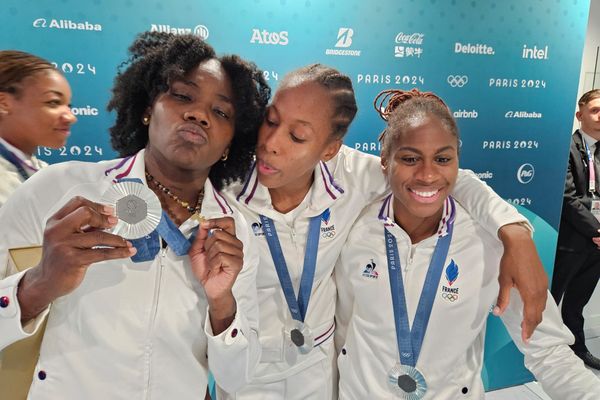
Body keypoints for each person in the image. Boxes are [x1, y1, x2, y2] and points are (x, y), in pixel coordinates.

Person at [221, 65, 548, 399]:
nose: (271, 143)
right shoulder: (224, 187)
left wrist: (513, 229)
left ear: (329, 149)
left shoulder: (353, 175)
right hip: (248, 369)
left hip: (317, 372)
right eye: (271, 120)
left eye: (298, 136)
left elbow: (443, 177)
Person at [0, 31, 270, 399]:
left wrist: (223, 305)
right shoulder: (59, 189)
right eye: (182, 96)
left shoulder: (235, 232)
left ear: (230, 143)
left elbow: (236, 379)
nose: (198, 114)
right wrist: (39, 284)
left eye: (221, 112)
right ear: (147, 108)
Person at [335, 88, 600, 399]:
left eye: (442, 158)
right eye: (409, 158)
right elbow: (342, 327)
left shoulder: (492, 243)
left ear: (457, 163)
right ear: (384, 160)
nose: (427, 174)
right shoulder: (354, 224)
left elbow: (550, 354)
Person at [551, 89, 600, 369]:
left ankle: (577, 351)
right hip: (571, 242)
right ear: (580, 115)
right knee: (550, 302)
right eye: (595, 110)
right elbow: (568, 198)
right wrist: (597, 231)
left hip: (596, 248)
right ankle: (539, 356)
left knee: (576, 304)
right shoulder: (566, 148)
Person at [0, 50, 77, 206]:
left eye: (69, 106)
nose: (71, 117)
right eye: (53, 102)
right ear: (4, 103)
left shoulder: (41, 170)